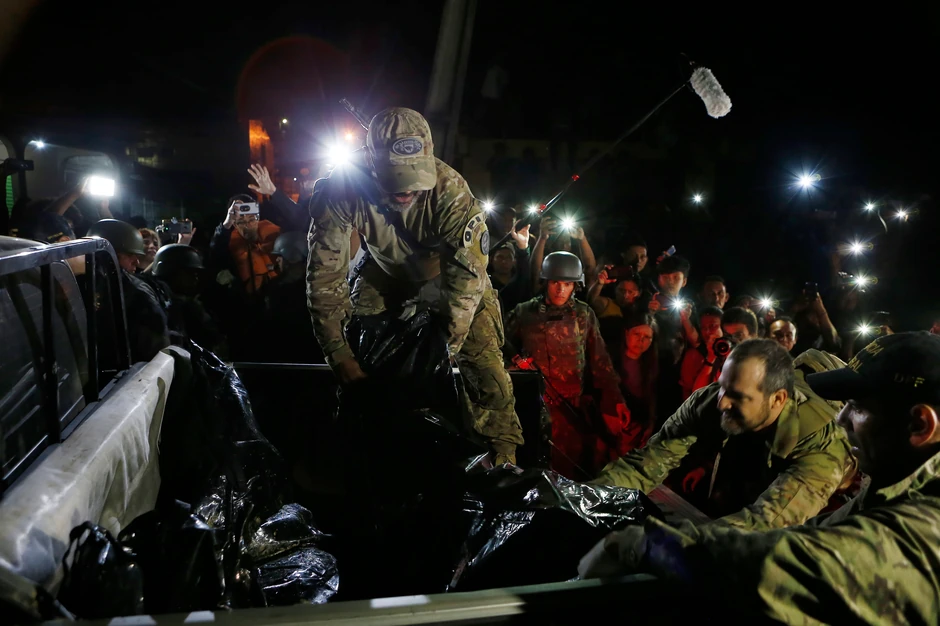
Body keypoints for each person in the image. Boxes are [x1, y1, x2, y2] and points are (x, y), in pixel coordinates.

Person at [580, 332, 940, 624]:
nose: (842, 419)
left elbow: (786, 555)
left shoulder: (919, 523)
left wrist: (649, 546)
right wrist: (580, 499)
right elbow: (647, 463)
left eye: (858, 408)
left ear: (919, 425)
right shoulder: (895, 481)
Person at [306, 107, 524, 464]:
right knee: (361, 353)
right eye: (396, 178)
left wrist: (442, 351)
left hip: (446, 274)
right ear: (371, 163)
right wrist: (338, 353)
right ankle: (366, 453)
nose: (406, 190)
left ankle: (502, 461)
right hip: (384, 272)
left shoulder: (452, 192)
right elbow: (325, 277)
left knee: (487, 369)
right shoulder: (342, 188)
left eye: (414, 178)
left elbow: (465, 284)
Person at [590, 339, 852, 529]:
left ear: (777, 399)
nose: (722, 402)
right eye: (722, 387)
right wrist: (588, 498)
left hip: (828, 494)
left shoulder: (821, 442)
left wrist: (668, 543)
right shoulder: (709, 402)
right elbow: (646, 465)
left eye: (737, 396)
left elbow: (766, 523)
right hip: (755, 451)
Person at [505, 251, 631, 478]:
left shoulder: (583, 315)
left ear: (575, 286)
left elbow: (601, 363)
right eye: (555, 282)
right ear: (546, 282)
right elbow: (500, 346)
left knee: (570, 469)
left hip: (571, 409)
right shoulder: (524, 313)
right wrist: (514, 367)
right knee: (532, 467)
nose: (560, 290)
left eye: (567, 284)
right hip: (533, 407)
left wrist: (615, 401)